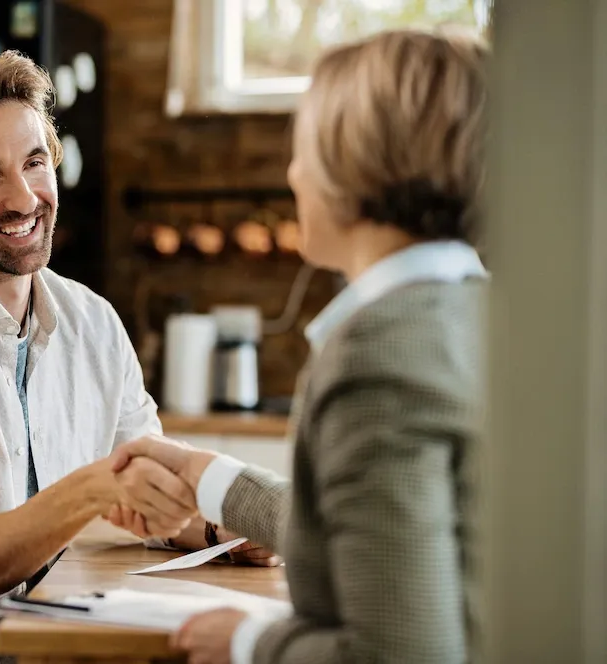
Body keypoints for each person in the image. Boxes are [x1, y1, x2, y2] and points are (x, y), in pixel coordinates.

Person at [0, 51, 268, 663]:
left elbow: (144, 495)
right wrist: (91, 491)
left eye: (33, 162)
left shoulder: (93, 320)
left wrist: (220, 533)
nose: (24, 197)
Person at [111, 28, 488, 664]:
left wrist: (248, 640)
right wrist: (210, 478)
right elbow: (387, 542)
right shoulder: (479, 312)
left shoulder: (380, 354)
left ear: (355, 164)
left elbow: (399, 653)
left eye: (304, 148)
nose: (292, 172)